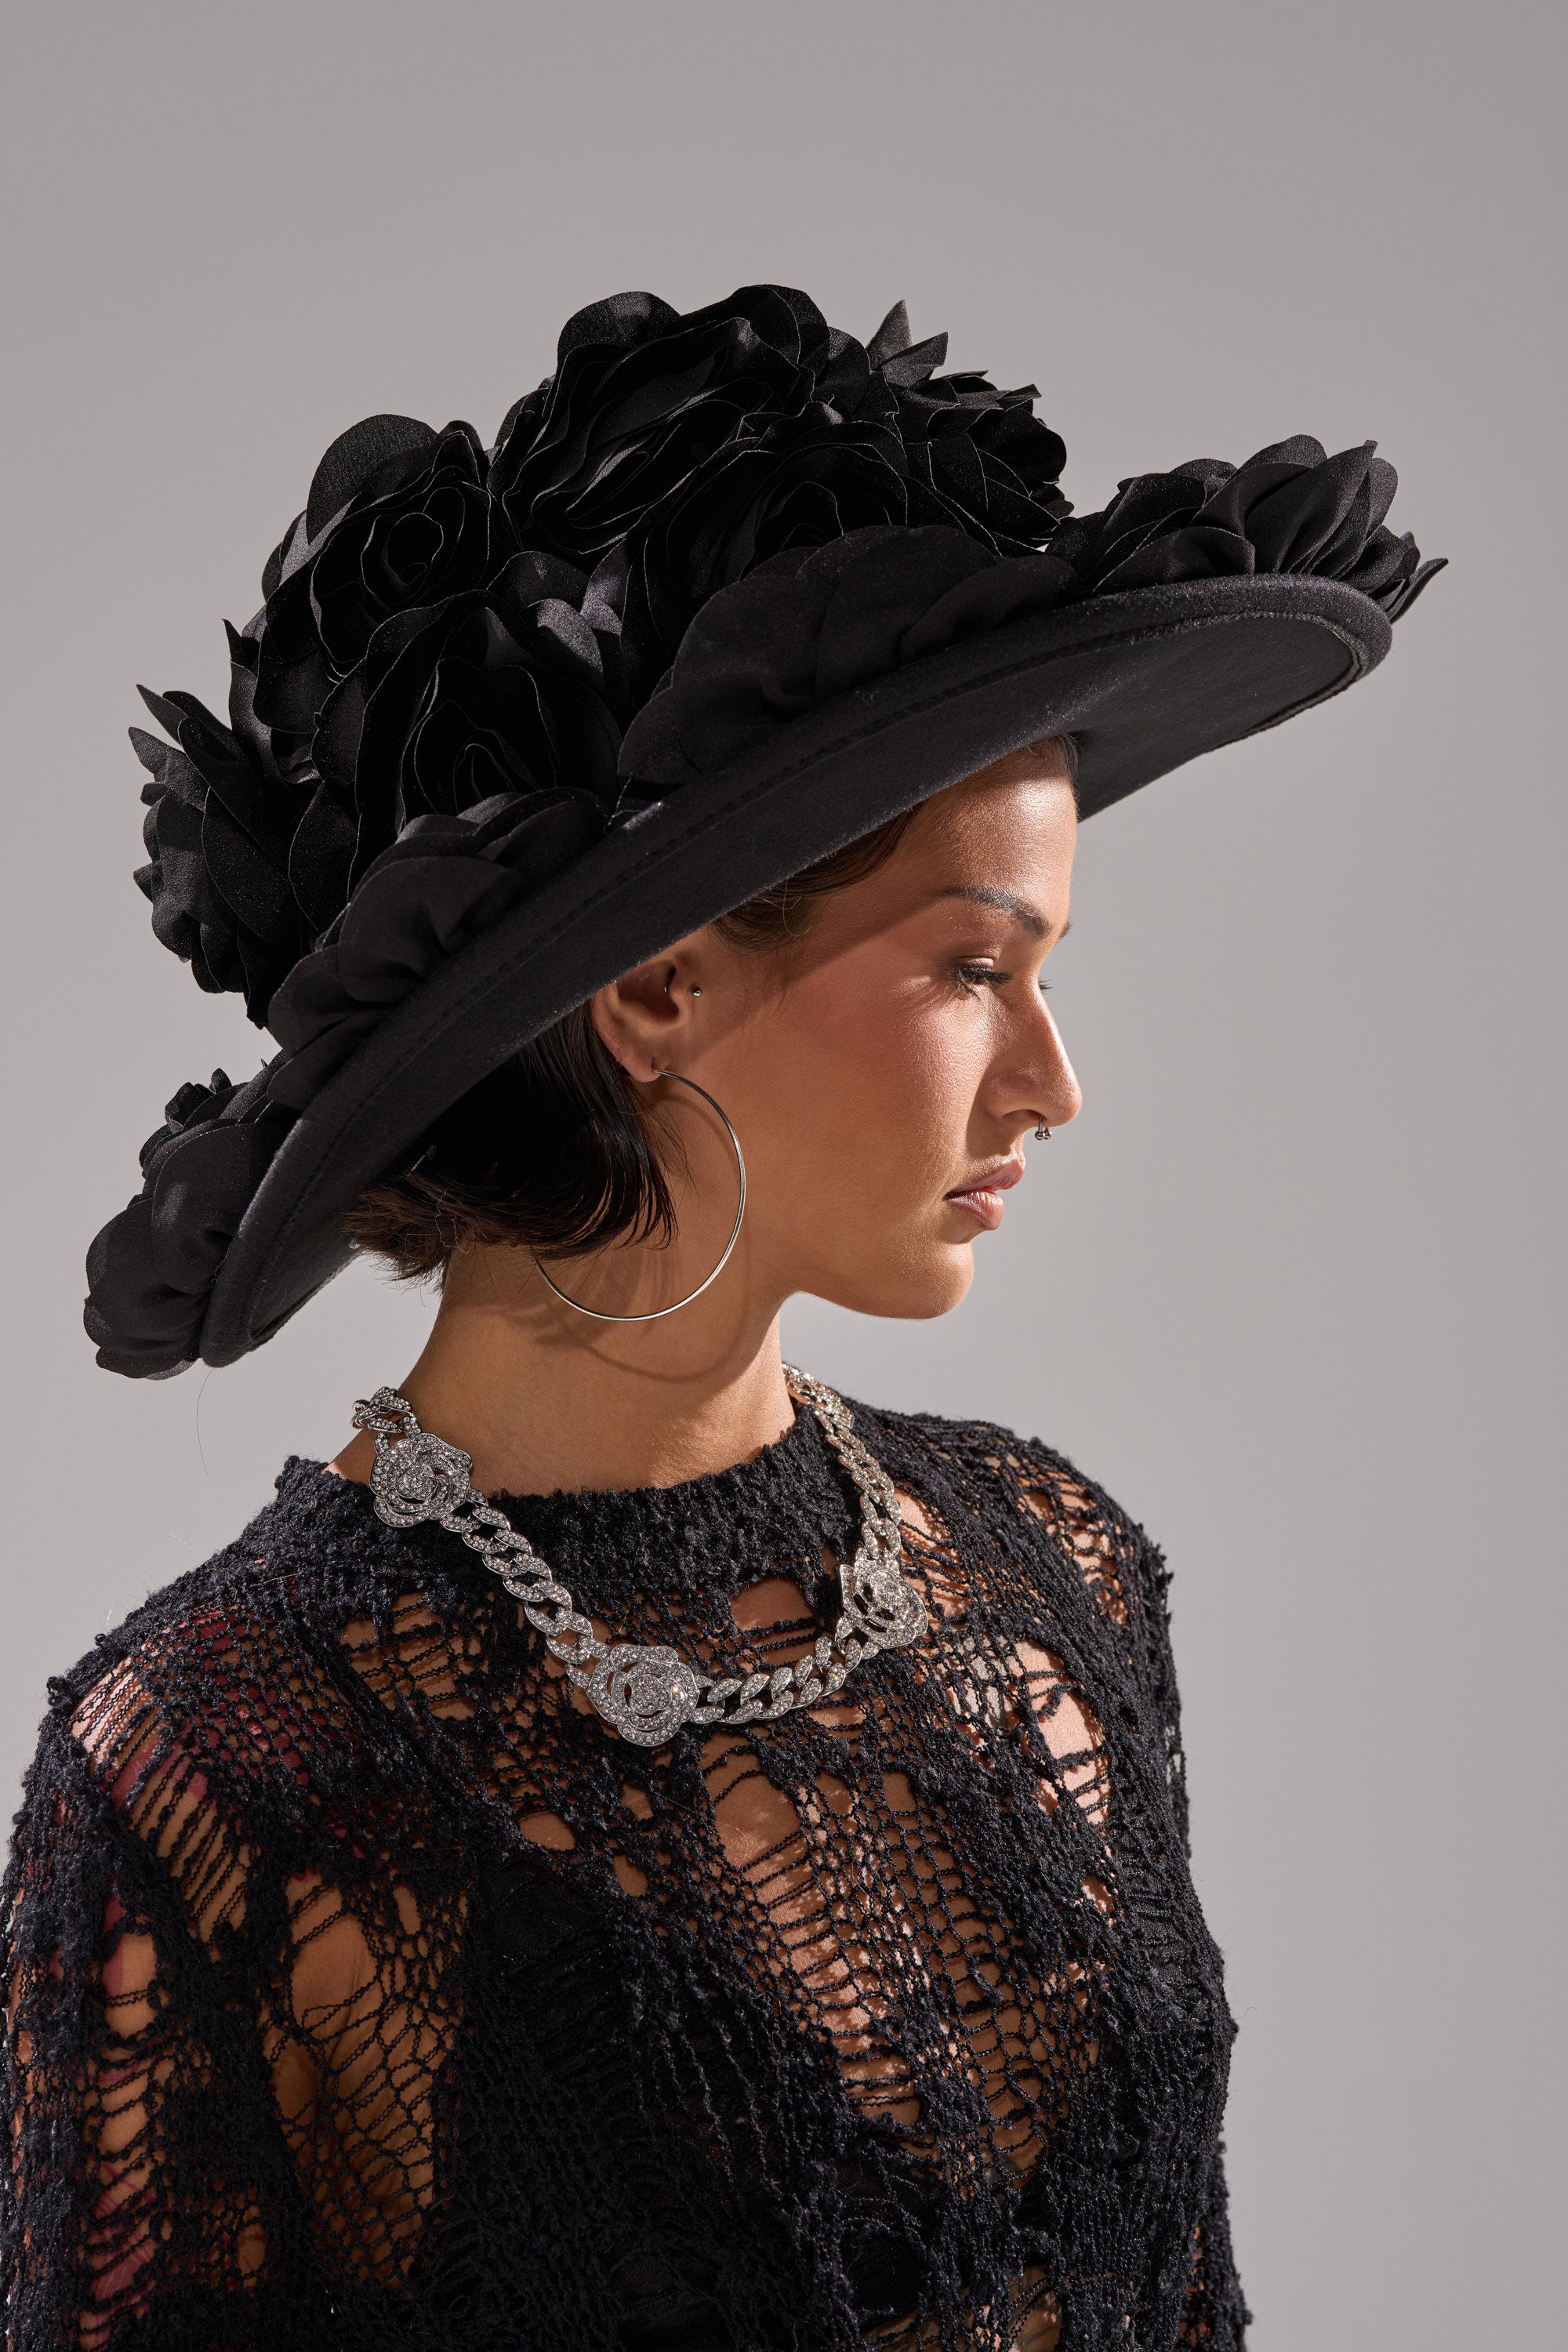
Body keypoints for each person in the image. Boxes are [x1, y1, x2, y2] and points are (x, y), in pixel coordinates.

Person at [2, 285, 1439, 2352]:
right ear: (661, 989)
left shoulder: (1060, 1577)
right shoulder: (228, 1761)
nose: (1053, 1077)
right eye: (972, 967)